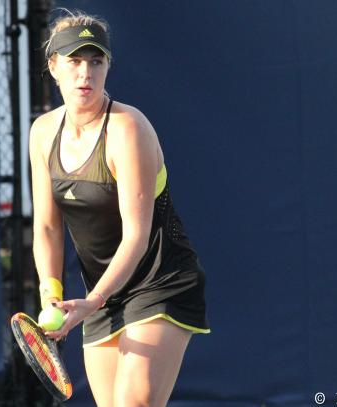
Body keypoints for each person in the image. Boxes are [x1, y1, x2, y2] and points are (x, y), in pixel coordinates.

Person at [29, 10, 210, 407]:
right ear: (53, 66)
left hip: (160, 280)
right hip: (100, 293)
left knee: (134, 402)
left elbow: (137, 234)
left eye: (96, 61)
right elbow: (46, 228)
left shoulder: (128, 129)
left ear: (108, 65)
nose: (85, 74)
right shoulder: (43, 133)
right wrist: (51, 295)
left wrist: (91, 302)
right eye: (74, 61)